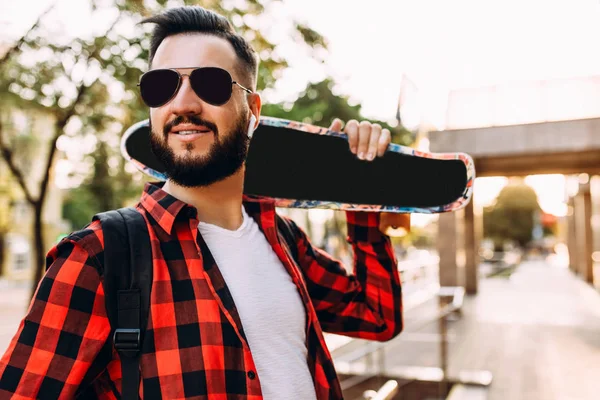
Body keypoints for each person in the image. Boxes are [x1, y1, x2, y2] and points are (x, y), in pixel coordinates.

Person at [0, 6, 402, 399]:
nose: (183, 104)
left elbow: (377, 317)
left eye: (210, 84)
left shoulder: (280, 237)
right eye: (163, 86)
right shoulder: (100, 256)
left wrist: (361, 192)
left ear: (252, 111)